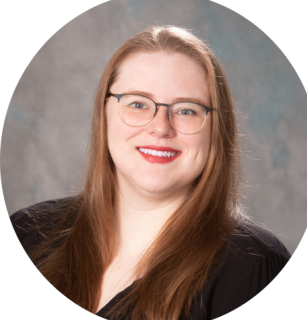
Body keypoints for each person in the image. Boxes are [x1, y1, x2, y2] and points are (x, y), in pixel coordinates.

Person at [9, 25, 291, 320]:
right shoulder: (28, 234)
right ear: (103, 115)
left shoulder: (253, 267)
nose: (160, 127)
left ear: (216, 130)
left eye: (186, 110)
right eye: (138, 104)